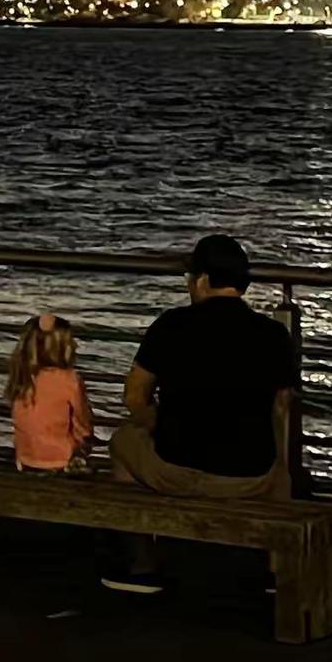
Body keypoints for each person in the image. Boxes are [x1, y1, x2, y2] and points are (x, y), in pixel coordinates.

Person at [103, 233, 299, 593]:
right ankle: (276, 571)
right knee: (280, 469)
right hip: (248, 477)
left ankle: (142, 566)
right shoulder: (273, 334)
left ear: (203, 280)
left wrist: (158, 423)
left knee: (123, 442)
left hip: (178, 468)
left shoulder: (171, 325)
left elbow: (134, 396)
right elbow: (282, 407)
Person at [6, 313, 95, 473]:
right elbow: (82, 424)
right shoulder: (69, 379)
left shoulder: (22, 375)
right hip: (60, 460)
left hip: (25, 458)